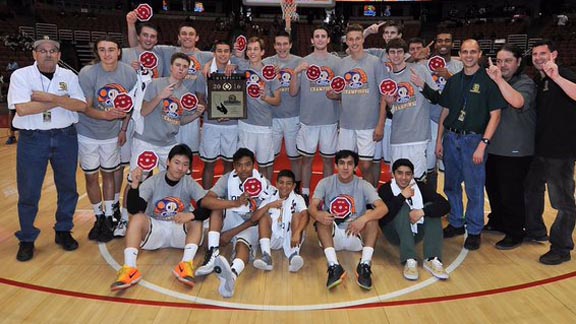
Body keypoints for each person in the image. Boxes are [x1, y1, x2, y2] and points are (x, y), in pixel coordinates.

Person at [8, 36, 86, 261]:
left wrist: (47, 98)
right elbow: (23, 109)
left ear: (59, 55)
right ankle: (27, 238)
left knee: (68, 187)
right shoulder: (20, 75)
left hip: (65, 136)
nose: (48, 54)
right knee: (29, 191)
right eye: (42, 50)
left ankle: (63, 230)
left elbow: (80, 105)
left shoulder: (69, 75)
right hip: (33, 138)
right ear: (34, 54)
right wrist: (62, 100)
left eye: (53, 50)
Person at [110, 144, 217, 291]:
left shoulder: (189, 183)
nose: (180, 168)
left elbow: (207, 207)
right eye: (177, 163)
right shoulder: (153, 182)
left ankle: (186, 264)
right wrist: (135, 185)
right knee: (137, 219)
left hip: (179, 229)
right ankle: (129, 268)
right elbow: (135, 209)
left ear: (189, 168)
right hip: (156, 228)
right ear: (167, 162)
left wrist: (191, 215)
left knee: (196, 219)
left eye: (185, 165)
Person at [435, 39, 505, 250]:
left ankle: (474, 230)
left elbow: (496, 115)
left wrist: (483, 144)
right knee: (451, 185)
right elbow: (445, 111)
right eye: (465, 52)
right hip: (451, 138)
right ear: (460, 54)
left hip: (474, 140)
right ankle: (456, 222)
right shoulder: (454, 80)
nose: (468, 55)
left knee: (474, 189)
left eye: (473, 52)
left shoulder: (488, 81)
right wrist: (440, 139)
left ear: (480, 54)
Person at [77, 37, 138, 243]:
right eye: (102, 49)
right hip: (87, 133)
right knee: (91, 177)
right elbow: (85, 106)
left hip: (112, 134)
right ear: (97, 52)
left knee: (110, 174)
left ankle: (111, 215)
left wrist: (123, 129)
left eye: (111, 49)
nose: (107, 54)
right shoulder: (87, 73)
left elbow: (129, 106)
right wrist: (106, 115)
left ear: (119, 51)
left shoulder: (128, 73)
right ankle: (99, 217)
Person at [194, 148, 275, 298]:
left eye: (247, 165)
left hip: (250, 223)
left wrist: (230, 233)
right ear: (234, 167)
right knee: (217, 207)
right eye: (239, 165)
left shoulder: (263, 183)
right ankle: (213, 253)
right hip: (232, 217)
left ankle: (232, 276)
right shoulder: (227, 178)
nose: (243, 169)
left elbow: (258, 218)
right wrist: (234, 203)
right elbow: (206, 201)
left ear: (254, 165)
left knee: (242, 246)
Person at [524, 39, 576, 265]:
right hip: (540, 150)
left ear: (553, 54)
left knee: (562, 202)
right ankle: (536, 231)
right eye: (535, 54)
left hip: (561, 153)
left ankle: (561, 247)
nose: (538, 58)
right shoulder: (540, 79)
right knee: (531, 190)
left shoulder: (564, 73)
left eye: (542, 53)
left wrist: (557, 77)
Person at [309, 150, 388, 290]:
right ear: (336, 166)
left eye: (350, 164)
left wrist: (363, 219)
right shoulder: (325, 182)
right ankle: (334, 266)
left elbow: (383, 208)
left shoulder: (363, 185)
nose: (345, 167)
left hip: (355, 233)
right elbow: (312, 207)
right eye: (342, 163)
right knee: (322, 219)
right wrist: (317, 214)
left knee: (372, 217)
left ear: (356, 167)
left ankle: (364, 264)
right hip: (332, 237)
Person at [483, 45, 536, 249]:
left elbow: (517, 101)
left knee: (511, 193)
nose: (502, 65)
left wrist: (497, 79)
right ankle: (498, 221)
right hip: (493, 147)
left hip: (516, 150)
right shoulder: (496, 81)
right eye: (499, 61)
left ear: (518, 62)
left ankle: (515, 232)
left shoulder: (525, 82)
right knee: (494, 189)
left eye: (508, 61)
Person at [327, 24, 387, 187]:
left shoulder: (375, 62)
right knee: (344, 165)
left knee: (366, 165)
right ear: (346, 41)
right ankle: (348, 196)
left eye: (357, 39)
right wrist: (333, 95)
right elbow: (340, 91)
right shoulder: (342, 63)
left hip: (368, 123)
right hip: (346, 124)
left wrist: (380, 124)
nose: (354, 42)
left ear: (362, 39)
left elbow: (384, 95)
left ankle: (371, 199)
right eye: (350, 39)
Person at [289, 26, 341, 203]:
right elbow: (294, 91)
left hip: (330, 119)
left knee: (328, 161)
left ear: (328, 40)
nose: (319, 39)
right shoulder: (303, 62)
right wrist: (295, 73)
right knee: (307, 160)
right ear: (312, 40)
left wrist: (336, 94)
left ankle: (326, 194)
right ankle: (304, 193)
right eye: (316, 36)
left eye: (323, 36)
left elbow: (342, 90)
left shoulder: (337, 62)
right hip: (308, 120)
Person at [378, 159, 450, 280]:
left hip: (416, 233)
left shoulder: (420, 187)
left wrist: (422, 212)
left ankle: (432, 259)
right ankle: (410, 259)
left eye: (408, 174)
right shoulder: (385, 189)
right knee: (403, 208)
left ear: (412, 175)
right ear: (393, 174)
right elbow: (384, 217)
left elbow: (445, 205)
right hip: (395, 234)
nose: (404, 177)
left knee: (431, 208)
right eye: (400, 173)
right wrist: (402, 197)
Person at [383, 38, 438, 182]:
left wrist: (422, 85)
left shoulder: (418, 69)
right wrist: (389, 104)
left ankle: (418, 205)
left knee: (417, 179)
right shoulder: (387, 78)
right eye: (392, 52)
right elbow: (394, 111)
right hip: (397, 136)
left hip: (417, 136)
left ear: (405, 54)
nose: (396, 55)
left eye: (400, 52)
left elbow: (436, 98)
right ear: (388, 55)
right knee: (398, 179)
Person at [420, 32, 463, 191]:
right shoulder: (425, 65)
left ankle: (452, 207)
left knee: (450, 167)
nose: (443, 43)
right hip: (430, 120)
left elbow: (465, 93)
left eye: (447, 40)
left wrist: (450, 77)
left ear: (452, 43)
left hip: (453, 123)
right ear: (435, 44)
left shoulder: (459, 66)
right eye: (439, 41)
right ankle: (431, 203)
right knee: (430, 166)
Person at [237, 37, 281, 181]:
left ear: (262, 52)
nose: (252, 52)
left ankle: (267, 191)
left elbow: (277, 100)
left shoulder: (270, 72)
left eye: (256, 49)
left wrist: (266, 98)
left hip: (264, 125)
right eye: (249, 49)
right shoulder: (241, 68)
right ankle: (244, 192)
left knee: (265, 164)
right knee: (244, 164)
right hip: (245, 124)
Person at [263, 31, 303, 191]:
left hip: (293, 116)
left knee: (295, 157)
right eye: (278, 44)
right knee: (269, 157)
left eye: (285, 44)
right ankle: (266, 189)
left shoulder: (299, 62)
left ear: (291, 45)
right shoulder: (265, 63)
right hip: (271, 117)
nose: (282, 47)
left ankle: (297, 190)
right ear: (274, 46)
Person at [252, 169, 309, 272]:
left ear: (293, 186)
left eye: (288, 184)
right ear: (276, 184)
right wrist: (269, 205)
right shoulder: (269, 197)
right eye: (281, 183)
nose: (284, 186)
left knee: (297, 215)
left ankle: (294, 255)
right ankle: (267, 257)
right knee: (263, 217)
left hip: (292, 235)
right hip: (273, 236)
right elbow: (254, 218)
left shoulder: (298, 198)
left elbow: (305, 215)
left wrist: (297, 232)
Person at [200, 40, 238, 189]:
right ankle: (205, 199)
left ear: (230, 53)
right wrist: (213, 110)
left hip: (232, 124)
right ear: (214, 53)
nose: (223, 54)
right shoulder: (206, 72)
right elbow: (201, 98)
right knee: (209, 163)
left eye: (226, 51)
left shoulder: (237, 71)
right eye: (219, 51)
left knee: (229, 163)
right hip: (211, 123)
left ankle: (226, 196)